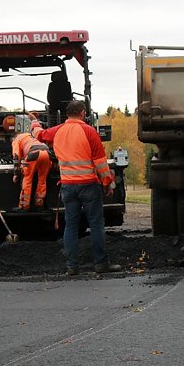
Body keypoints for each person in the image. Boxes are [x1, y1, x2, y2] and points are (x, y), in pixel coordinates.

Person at [37, 100, 121, 276]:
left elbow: (40, 136)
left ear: (68, 114)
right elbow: (100, 163)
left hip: (68, 186)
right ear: (83, 113)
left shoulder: (57, 131)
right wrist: (108, 183)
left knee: (71, 226)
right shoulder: (89, 131)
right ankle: (100, 264)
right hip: (89, 185)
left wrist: (35, 124)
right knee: (96, 224)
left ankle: (72, 266)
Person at [12, 113, 52, 210]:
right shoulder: (30, 136)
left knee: (27, 179)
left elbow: (16, 157)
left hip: (34, 154)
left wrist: (16, 173)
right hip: (46, 153)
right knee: (42, 179)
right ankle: (39, 204)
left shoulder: (16, 140)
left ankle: (24, 206)